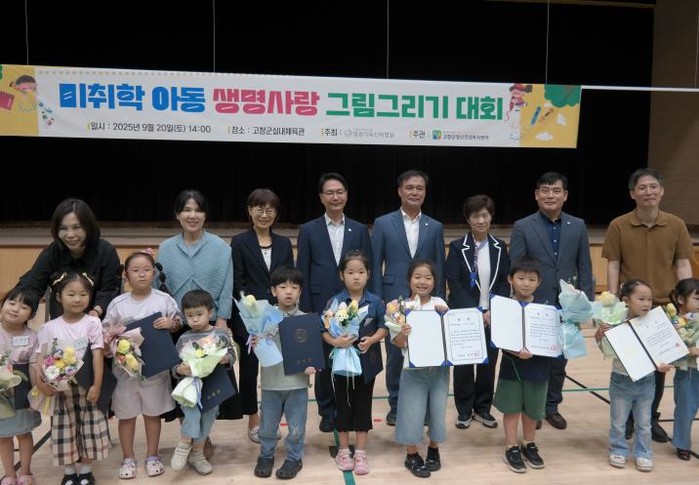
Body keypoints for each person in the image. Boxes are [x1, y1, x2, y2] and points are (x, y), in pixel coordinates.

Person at [601, 167, 693, 443]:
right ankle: (628, 419)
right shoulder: (618, 225)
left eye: (653, 187)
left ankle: (650, 418)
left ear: (661, 191)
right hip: (630, 308)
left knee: (658, 367)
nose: (648, 192)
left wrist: (688, 303)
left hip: (664, 308)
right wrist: (613, 304)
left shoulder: (676, 224)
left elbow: (683, 264)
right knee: (629, 363)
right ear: (633, 194)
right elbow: (613, 264)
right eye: (642, 187)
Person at [509, 171, 594, 430]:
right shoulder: (523, 226)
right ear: (536, 195)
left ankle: (551, 407)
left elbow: (585, 267)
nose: (550, 195)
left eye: (556, 190)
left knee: (559, 361)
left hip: (567, 306)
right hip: (534, 304)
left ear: (565, 195)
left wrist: (586, 306)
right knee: (534, 359)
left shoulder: (577, 225)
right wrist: (517, 304)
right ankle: (532, 409)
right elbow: (516, 267)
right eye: (545, 190)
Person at [296, 173, 372, 433]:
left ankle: (346, 408)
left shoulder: (359, 229)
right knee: (324, 361)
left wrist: (367, 305)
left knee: (351, 356)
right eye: (330, 192)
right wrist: (307, 309)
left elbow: (367, 268)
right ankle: (327, 412)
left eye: (340, 192)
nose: (335, 197)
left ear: (347, 195)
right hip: (321, 304)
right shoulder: (308, 229)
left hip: (354, 304)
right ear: (321, 197)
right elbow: (302, 270)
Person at [155, 189, 239, 426]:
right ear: (177, 214)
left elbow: (227, 285)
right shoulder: (166, 248)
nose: (192, 215)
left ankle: (203, 436)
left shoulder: (220, 248)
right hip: (177, 325)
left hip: (208, 326)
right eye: (187, 210)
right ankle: (189, 433)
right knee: (182, 381)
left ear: (205, 215)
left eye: (198, 210)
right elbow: (159, 287)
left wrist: (222, 319)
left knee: (211, 382)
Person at [371, 169, 446, 426]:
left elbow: (439, 266)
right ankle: (396, 404)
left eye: (419, 188)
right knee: (395, 353)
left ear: (425, 192)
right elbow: (375, 263)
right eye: (409, 187)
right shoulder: (383, 223)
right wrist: (378, 299)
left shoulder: (434, 226)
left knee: (424, 352)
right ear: (399, 191)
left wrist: (439, 301)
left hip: (426, 300)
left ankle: (422, 407)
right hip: (393, 298)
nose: (415, 192)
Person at [101, 251, 183, 480]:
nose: (142, 274)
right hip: (125, 371)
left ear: (154, 273)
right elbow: (105, 333)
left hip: (155, 369)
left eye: (147, 270)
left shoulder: (163, 300)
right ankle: (128, 458)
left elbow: (178, 323)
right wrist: (112, 335)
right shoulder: (118, 304)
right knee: (126, 416)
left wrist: (171, 323)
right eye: (135, 270)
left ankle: (152, 456)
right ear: (126, 275)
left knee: (152, 414)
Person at [230, 188, 294, 443]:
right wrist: (254, 311)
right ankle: (253, 419)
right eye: (259, 209)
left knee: (276, 369)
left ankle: (272, 419)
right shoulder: (239, 242)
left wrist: (280, 306)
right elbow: (238, 281)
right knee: (249, 372)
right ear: (250, 211)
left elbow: (288, 278)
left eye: (269, 209)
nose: (264, 214)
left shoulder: (284, 243)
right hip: (249, 319)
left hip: (278, 317)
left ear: (276, 213)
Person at [34, 273, 109, 485]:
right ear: (59, 297)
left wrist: (97, 384)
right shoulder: (49, 327)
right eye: (71, 294)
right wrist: (42, 384)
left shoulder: (92, 322)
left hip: (87, 385)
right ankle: (68, 472)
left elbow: (97, 354)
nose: (78, 299)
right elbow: (41, 359)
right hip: (60, 389)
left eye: (83, 294)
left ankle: (86, 470)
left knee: (90, 428)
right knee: (64, 429)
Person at [593, 279, 673, 472]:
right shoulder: (615, 321)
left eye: (650, 299)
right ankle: (618, 450)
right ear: (626, 301)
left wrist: (663, 364)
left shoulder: (655, 322)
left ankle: (643, 453)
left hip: (647, 381)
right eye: (641, 299)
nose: (647, 303)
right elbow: (606, 350)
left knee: (644, 423)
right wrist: (599, 335)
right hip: (620, 380)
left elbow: (662, 351)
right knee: (619, 422)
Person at [447, 195, 510, 430]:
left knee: (488, 364)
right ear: (468, 219)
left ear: (491, 217)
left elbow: (504, 282)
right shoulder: (457, 247)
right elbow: (454, 282)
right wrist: (475, 313)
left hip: (492, 315)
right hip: (465, 315)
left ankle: (483, 408)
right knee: (464, 365)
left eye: (485, 215)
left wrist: (492, 310)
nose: (481, 220)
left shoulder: (499, 247)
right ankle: (464, 410)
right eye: (476, 216)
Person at [322, 250, 386, 476]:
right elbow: (323, 330)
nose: (356, 276)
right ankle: (342, 450)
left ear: (368, 274)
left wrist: (373, 339)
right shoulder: (335, 302)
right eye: (350, 272)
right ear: (342, 275)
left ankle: (360, 452)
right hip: (342, 364)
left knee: (363, 405)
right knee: (343, 404)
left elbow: (384, 326)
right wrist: (336, 341)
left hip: (367, 363)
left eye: (360, 272)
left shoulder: (376, 302)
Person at [252, 266, 314, 480]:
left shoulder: (306, 319)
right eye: (283, 286)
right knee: (267, 427)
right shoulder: (262, 318)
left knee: (296, 427)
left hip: (297, 384)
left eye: (294, 287)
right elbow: (256, 346)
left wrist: (313, 364)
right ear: (273, 290)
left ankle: (294, 457)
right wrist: (254, 341)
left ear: (300, 291)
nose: (288, 291)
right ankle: (266, 455)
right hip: (271, 383)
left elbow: (312, 352)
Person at [390, 258, 449, 479]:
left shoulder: (440, 303)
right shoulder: (399, 307)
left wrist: (445, 318)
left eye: (428, 277)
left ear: (434, 281)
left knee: (437, 410)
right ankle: (412, 454)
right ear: (409, 280)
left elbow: (450, 336)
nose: (422, 282)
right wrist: (403, 334)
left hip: (439, 370)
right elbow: (397, 343)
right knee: (411, 412)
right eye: (417, 277)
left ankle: (434, 449)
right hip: (412, 370)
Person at [17, 197, 122, 320]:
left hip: (97, 320)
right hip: (61, 322)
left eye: (76, 227)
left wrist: (96, 311)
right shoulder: (52, 252)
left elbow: (110, 289)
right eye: (63, 228)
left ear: (88, 227)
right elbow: (32, 285)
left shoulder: (106, 251)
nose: (70, 235)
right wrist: (18, 307)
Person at [492, 257, 550, 474]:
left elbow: (552, 338)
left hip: (539, 365)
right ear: (510, 279)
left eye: (532, 279)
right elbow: (499, 338)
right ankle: (511, 447)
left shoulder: (546, 308)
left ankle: (529, 443)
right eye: (521, 278)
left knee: (533, 409)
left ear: (539, 282)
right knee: (512, 408)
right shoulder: (503, 306)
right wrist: (516, 352)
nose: (526, 283)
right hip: (512, 365)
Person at [170, 289, 235, 476]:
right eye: (190, 316)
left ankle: (197, 454)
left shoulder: (219, 335)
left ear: (210, 313)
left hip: (212, 385)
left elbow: (232, 355)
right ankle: (183, 445)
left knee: (207, 419)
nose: (195, 320)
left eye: (199, 314)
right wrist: (179, 369)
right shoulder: (183, 338)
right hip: (189, 387)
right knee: (191, 415)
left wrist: (225, 359)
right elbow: (174, 365)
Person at [0, 288, 41, 485]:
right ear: (2, 304)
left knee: (24, 433)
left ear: (31, 315)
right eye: (11, 303)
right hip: (1, 395)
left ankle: (25, 472)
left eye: (24, 307)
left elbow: (33, 367)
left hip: (23, 391)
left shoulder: (32, 336)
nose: (15, 309)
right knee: (2, 437)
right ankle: (9, 474)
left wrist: (35, 394)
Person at [668, 278, 699, 461]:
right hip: (687, 372)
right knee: (685, 409)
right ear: (681, 299)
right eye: (697, 299)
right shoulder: (673, 322)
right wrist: (686, 350)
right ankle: (682, 444)